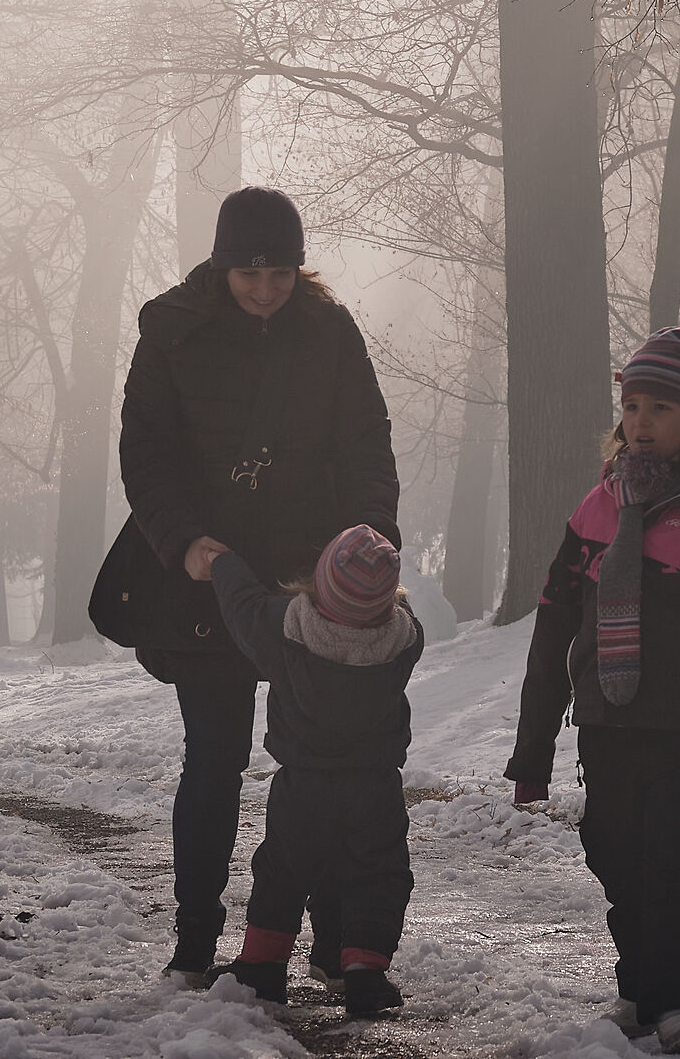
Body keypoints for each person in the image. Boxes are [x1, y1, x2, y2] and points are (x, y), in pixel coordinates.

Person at [118, 186, 400, 987]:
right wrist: (183, 543)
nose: (266, 288)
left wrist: (371, 537)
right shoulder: (171, 333)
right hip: (207, 575)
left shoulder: (331, 332)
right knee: (213, 759)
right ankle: (195, 940)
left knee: (322, 764)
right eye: (250, 273)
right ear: (221, 263)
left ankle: (333, 936)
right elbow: (148, 456)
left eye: (280, 271)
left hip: (314, 580)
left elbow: (366, 442)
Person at [503, 327, 680, 1056]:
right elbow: (552, 633)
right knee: (616, 856)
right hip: (606, 728)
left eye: (663, 409)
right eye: (633, 406)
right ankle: (640, 989)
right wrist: (533, 751)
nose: (643, 422)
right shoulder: (594, 510)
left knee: (678, 866)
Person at [197, 526, 421, 1020]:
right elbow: (392, 609)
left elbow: (243, 608)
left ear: (318, 585)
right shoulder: (404, 639)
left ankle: (263, 964)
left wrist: (225, 563)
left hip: (304, 786)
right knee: (377, 874)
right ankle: (364, 969)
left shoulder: (286, 630)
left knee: (282, 872)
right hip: (376, 787)